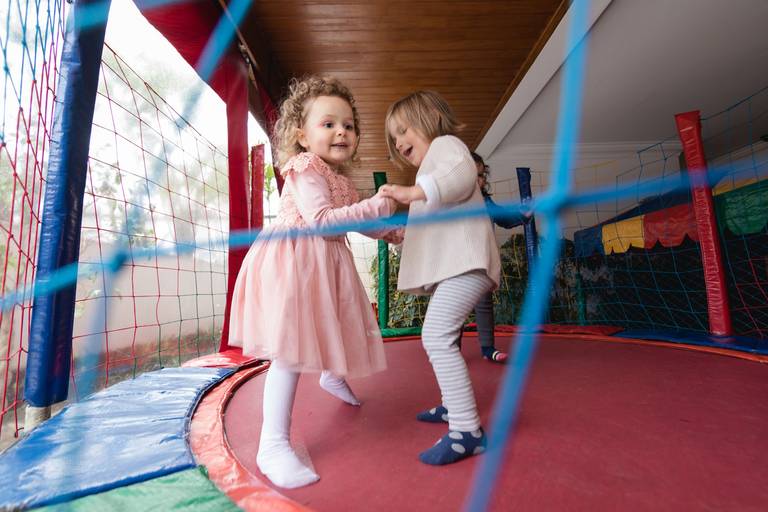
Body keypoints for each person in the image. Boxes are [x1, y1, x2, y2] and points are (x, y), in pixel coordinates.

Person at [228, 76, 399, 489]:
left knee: (331, 325)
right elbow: (322, 221)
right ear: (302, 135)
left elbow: (359, 221)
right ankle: (272, 444)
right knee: (288, 350)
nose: (342, 131)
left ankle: (330, 375)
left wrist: (395, 232)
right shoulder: (305, 167)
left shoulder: (341, 180)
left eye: (349, 125)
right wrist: (376, 205)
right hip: (296, 261)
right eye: (329, 124)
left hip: (327, 262)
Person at [379, 90, 500, 465]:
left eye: (403, 131)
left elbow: (461, 177)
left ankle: (467, 431)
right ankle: (452, 405)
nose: (399, 143)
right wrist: (403, 234)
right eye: (393, 139)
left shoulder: (447, 148)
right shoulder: (429, 170)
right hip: (457, 266)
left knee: (435, 335)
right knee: (443, 335)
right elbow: (433, 218)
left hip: (468, 264)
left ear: (430, 116)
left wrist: (413, 191)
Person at [470, 151, 529, 364]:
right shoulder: (454, 203)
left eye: (482, 175)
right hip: (457, 264)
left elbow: (503, 218)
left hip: (482, 261)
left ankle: (488, 348)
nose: (480, 180)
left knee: (484, 304)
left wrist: (522, 216)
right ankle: (451, 350)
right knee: (455, 310)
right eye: (474, 175)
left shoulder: (485, 202)